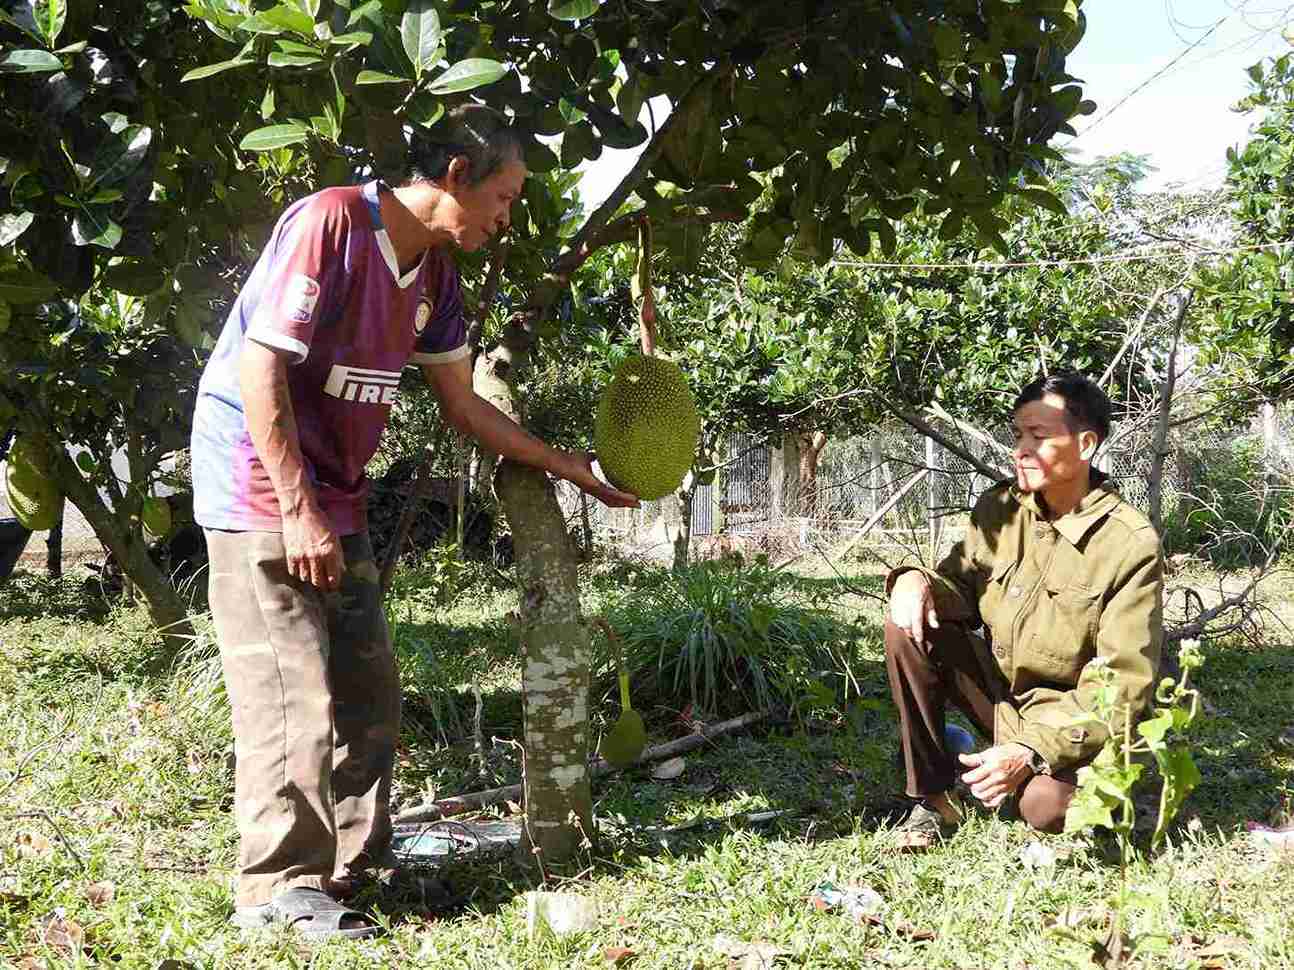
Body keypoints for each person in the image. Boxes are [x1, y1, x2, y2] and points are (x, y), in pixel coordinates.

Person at [191, 105, 638, 939]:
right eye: (503, 198)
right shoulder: (332, 223)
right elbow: (259, 367)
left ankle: (352, 867)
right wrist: (297, 509)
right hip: (258, 484)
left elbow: (465, 405)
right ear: (458, 174)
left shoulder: (435, 276)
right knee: (290, 689)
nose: (506, 219)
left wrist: (570, 466)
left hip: (337, 492)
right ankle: (278, 889)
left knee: (369, 689)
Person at [883, 372, 1162, 849]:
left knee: (1044, 808)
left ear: (1086, 444)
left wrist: (1031, 750)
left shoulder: (1129, 544)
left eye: (1039, 436)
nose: (1022, 450)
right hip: (1002, 699)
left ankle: (1071, 782)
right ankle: (933, 798)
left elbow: (1122, 685)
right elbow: (959, 587)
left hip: (1070, 720)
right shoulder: (1001, 508)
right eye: (1018, 436)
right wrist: (915, 580)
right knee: (906, 627)